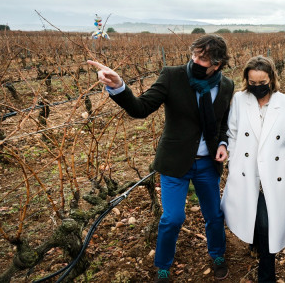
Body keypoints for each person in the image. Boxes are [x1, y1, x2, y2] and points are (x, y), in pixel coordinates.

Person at [87, 34, 234, 282]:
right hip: (175, 162)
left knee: (214, 215)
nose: (195, 60)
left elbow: (222, 123)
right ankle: (163, 266)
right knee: (173, 217)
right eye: (194, 55)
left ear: (217, 65)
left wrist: (222, 142)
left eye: (203, 59)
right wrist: (118, 86)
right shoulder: (173, 75)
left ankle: (218, 254)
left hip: (208, 163)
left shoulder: (227, 86)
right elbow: (140, 108)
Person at [220, 56, 285, 282]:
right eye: (252, 83)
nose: (257, 86)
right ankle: (254, 242)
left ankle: (267, 272)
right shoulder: (238, 100)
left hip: (274, 172)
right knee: (253, 215)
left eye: (262, 81)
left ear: (271, 78)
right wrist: (234, 161)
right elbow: (232, 133)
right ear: (246, 80)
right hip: (246, 170)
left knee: (267, 222)